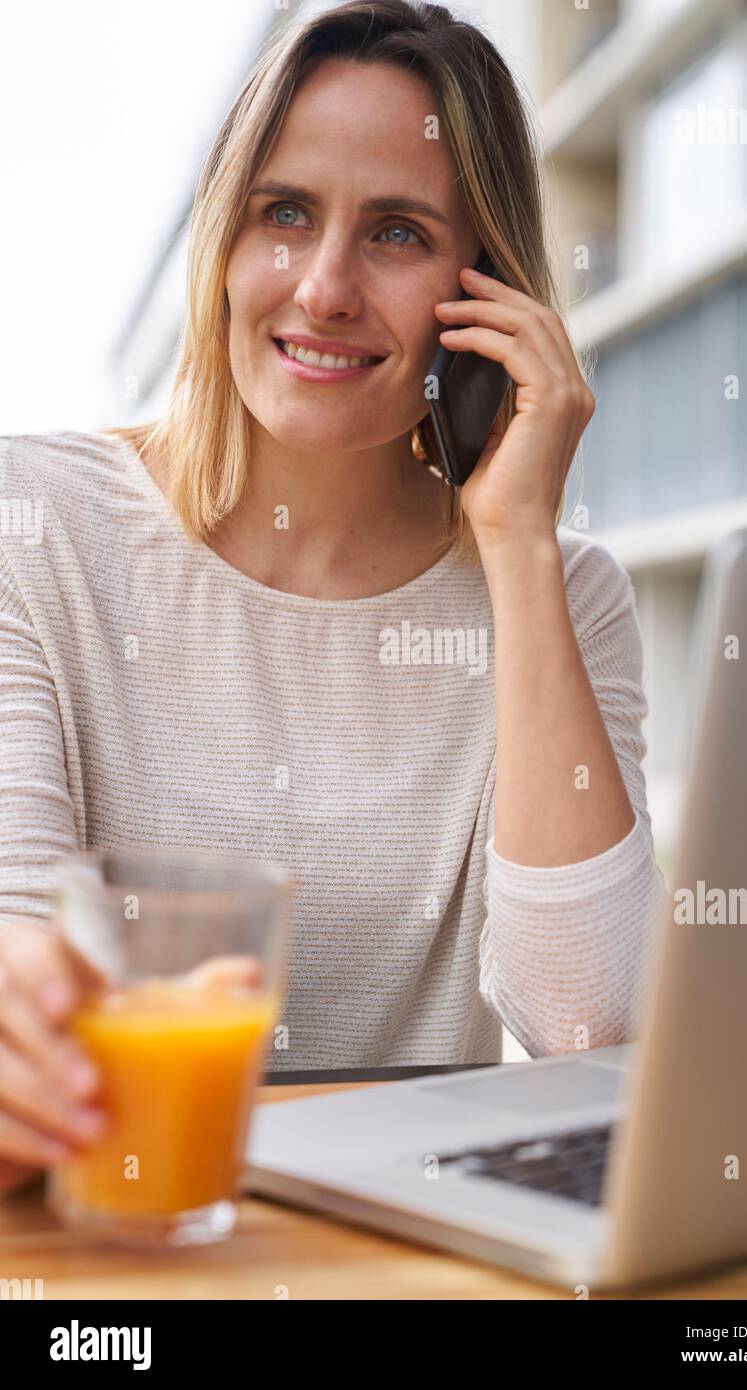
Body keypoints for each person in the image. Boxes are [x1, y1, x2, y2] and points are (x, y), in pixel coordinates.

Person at [0, 0, 664, 1196]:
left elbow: (593, 1029)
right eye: (285, 213)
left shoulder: (563, 598)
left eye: (398, 234)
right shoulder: (34, 527)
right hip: (110, 1231)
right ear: (222, 239)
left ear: (486, 300)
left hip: (416, 1262)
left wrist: (514, 542)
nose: (322, 288)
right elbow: (21, 972)